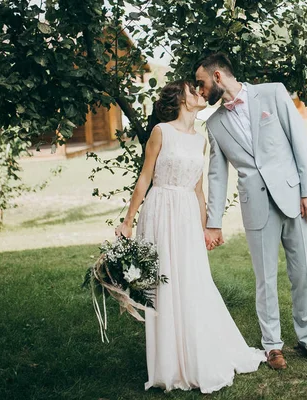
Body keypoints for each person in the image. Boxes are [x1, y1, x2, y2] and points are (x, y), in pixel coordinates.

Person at [115, 80, 265, 394]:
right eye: (191, 89)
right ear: (180, 98)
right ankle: (169, 364)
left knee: (192, 282)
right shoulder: (160, 132)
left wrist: (205, 228)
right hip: (159, 210)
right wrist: (128, 221)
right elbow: (145, 177)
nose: (198, 92)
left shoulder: (200, 140)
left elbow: (199, 190)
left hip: (185, 213)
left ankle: (198, 353)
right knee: (165, 284)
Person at [195, 53, 307, 370]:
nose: (200, 92)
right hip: (255, 207)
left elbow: (300, 142)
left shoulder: (273, 93)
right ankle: (272, 346)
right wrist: (213, 223)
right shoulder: (214, 123)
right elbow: (217, 176)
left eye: (201, 84)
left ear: (217, 77)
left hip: (294, 197)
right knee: (265, 279)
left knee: (302, 273)